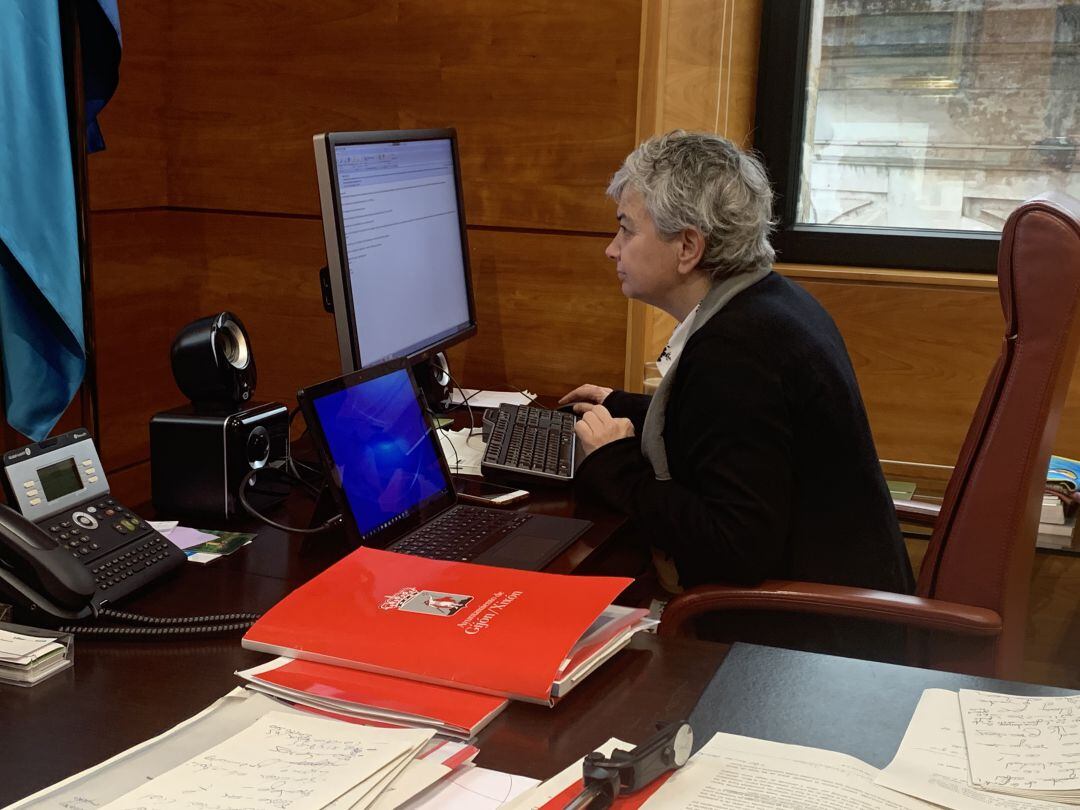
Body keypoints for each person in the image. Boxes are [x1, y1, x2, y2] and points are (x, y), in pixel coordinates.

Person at [560, 132, 914, 653]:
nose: (612, 249)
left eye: (626, 230)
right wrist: (631, 406)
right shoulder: (773, 304)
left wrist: (614, 463)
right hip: (841, 611)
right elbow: (737, 428)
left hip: (809, 647)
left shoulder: (736, 352)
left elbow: (734, 544)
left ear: (687, 247)